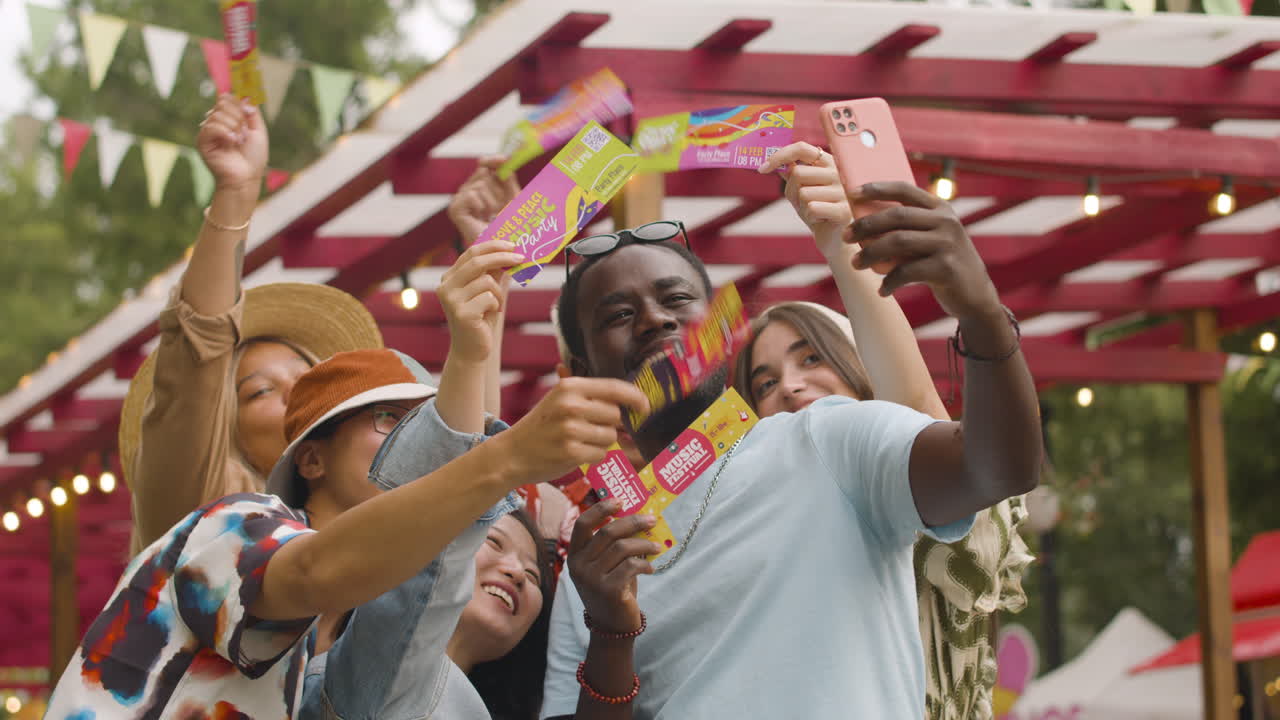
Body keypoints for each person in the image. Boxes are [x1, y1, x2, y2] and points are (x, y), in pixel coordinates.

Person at [540, 141, 1042, 718]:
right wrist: (610, 632)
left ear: (723, 330)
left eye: (677, 299)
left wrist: (980, 315)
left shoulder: (824, 441)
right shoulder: (596, 554)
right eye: (619, 315)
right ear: (581, 373)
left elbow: (997, 469)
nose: (655, 319)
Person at [47, 304, 649, 718]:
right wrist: (506, 456)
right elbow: (315, 571)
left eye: (432, 434)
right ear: (312, 461)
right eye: (393, 422)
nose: (423, 453)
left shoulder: (359, 651)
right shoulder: (234, 523)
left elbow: (428, 569)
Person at [732, 144, 1035, 720]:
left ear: (863, 366)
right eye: (764, 383)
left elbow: (914, 414)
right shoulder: (763, 539)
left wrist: (842, 242)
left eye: (811, 358)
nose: (791, 387)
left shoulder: (930, 493)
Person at [120, 95, 383, 554]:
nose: (294, 391)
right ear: (223, 433)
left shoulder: (393, 519)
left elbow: (475, 467)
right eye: (260, 391)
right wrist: (236, 193)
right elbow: (198, 348)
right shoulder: (201, 515)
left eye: (306, 376)